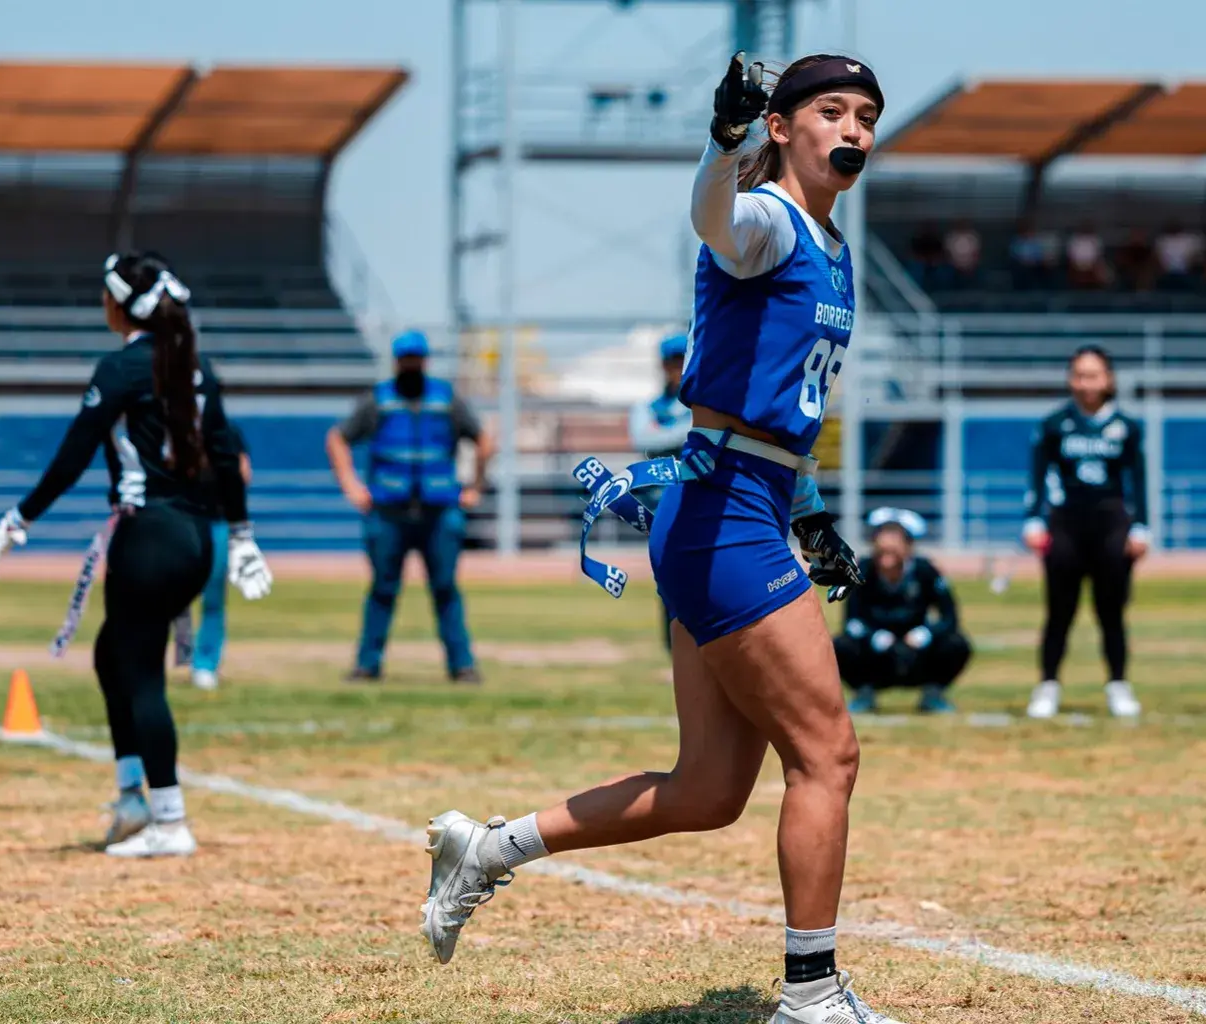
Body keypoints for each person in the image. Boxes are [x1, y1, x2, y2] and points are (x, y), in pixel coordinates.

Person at [419, 53, 901, 1024]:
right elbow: (713, 217)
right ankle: (811, 997)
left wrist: (807, 509)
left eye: (867, 116)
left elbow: (775, 403)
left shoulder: (834, 244)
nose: (853, 129)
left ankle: (487, 846)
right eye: (831, 111)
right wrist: (720, 145)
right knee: (829, 755)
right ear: (780, 128)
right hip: (722, 509)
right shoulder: (764, 218)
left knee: (709, 789)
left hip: (744, 501)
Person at [0, 251, 273, 857]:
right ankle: (134, 799)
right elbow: (225, 453)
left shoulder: (120, 369)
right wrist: (240, 534)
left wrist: (19, 518)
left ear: (118, 304)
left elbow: (73, 454)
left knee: (138, 673)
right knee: (114, 658)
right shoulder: (196, 366)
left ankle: (168, 819)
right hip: (192, 538)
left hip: (149, 538)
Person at [326, 330, 492, 684]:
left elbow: (483, 440)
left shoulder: (446, 399)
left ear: (425, 360)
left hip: (439, 512)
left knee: (445, 589)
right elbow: (337, 438)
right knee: (383, 588)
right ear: (396, 361)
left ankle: (461, 665)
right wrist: (351, 486)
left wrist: (475, 486)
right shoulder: (378, 400)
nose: (411, 364)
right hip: (388, 513)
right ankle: (367, 664)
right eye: (406, 358)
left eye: (416, 358)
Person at [1021, 345, 1149, 720]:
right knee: (1059, 611)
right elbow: (1038, 477)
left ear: (1108, 379)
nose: (1085, 382)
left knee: (1111, 612)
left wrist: (1142, 527)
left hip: (1111, 524)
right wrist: (1033, 519)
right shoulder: (1054, 425)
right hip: (1066, 524)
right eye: (1078, 374)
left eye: (1093, 375)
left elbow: (1137, 480)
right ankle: (1047, 686)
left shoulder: (1126, 427)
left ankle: (1118, 685)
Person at [835, 507, 970, 714]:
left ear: (908, 546)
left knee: (957, 644)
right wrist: (875, 637)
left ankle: (933, 695)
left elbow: (949, 617)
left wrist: (924, 635)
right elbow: (851, 621)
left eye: (895, 540)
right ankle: (864, 693)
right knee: (840, 646)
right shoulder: (861, 571)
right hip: (876, 654)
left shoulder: (925, 571)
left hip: (917, 653)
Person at [630, 332, 695, 648]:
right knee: (669, 575)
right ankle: (675, 646)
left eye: (683, 360)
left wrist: (669, 432)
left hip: (699, 499)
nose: (678, 368)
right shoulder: (650, 406)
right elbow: (643, 439)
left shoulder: (704, 401)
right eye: (672, 362)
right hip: (663, 503)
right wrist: (687, 431)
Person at [185, 427, 251, 691]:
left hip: (218, 520)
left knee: (214, 597)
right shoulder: (172, 427)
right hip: (183, 519)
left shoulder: (227, 432)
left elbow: (244, 473)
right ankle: (164, 659)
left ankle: (204, 664)